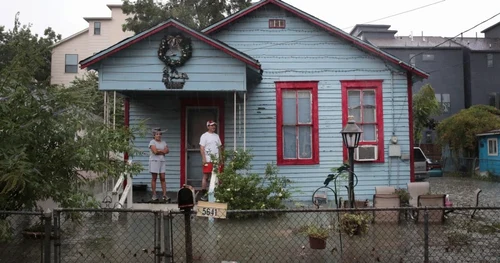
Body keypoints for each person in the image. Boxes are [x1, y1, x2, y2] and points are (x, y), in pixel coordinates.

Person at [199, 120, 222, 201]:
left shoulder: (216, 136)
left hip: (216, 160)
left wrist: (221, 158)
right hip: (208, 160)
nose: (213, 127)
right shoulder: (204, 136)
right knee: (206, 176)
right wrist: (204, 158)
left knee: (217, 176)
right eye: (212, 125)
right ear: (208, 126)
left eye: (214, 125)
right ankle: (204, 193)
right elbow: (202, 148)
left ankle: (215, 193)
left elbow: (219, 148)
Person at [149, 128, 170, 202]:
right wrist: (162, 151)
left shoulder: (163, 142)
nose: (158, 135)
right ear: (154, 135)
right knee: (154, 178)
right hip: (154, 161)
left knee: (163, 177)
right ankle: (154, 195)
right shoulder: (152, 142)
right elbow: (155, 151)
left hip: (162, 161)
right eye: (157, 134)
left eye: (160, 134)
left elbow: (167, 151)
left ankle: (164, 195)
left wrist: (160, 150)